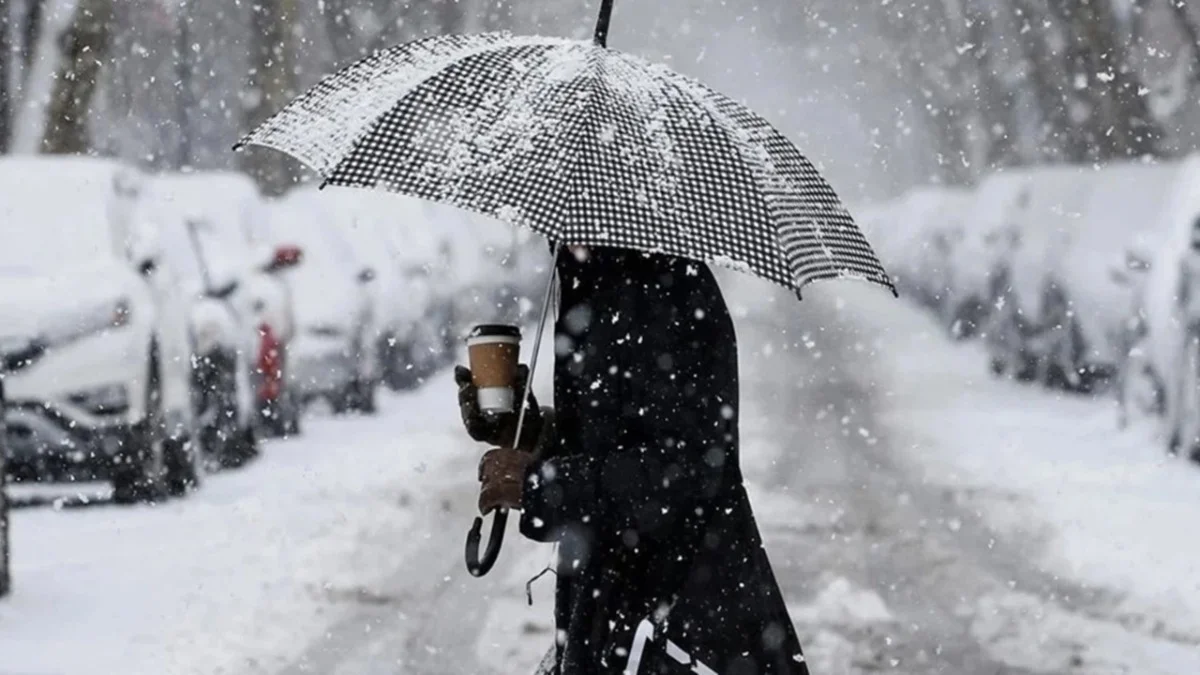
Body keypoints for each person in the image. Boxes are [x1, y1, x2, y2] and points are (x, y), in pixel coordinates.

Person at [455, 246, 808, 675]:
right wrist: (521, 430)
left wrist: (540, 485)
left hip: (673, 609)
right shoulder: (597, 277)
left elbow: (685, 470)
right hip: (617, 605)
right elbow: (612, 436)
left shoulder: (664, 290)